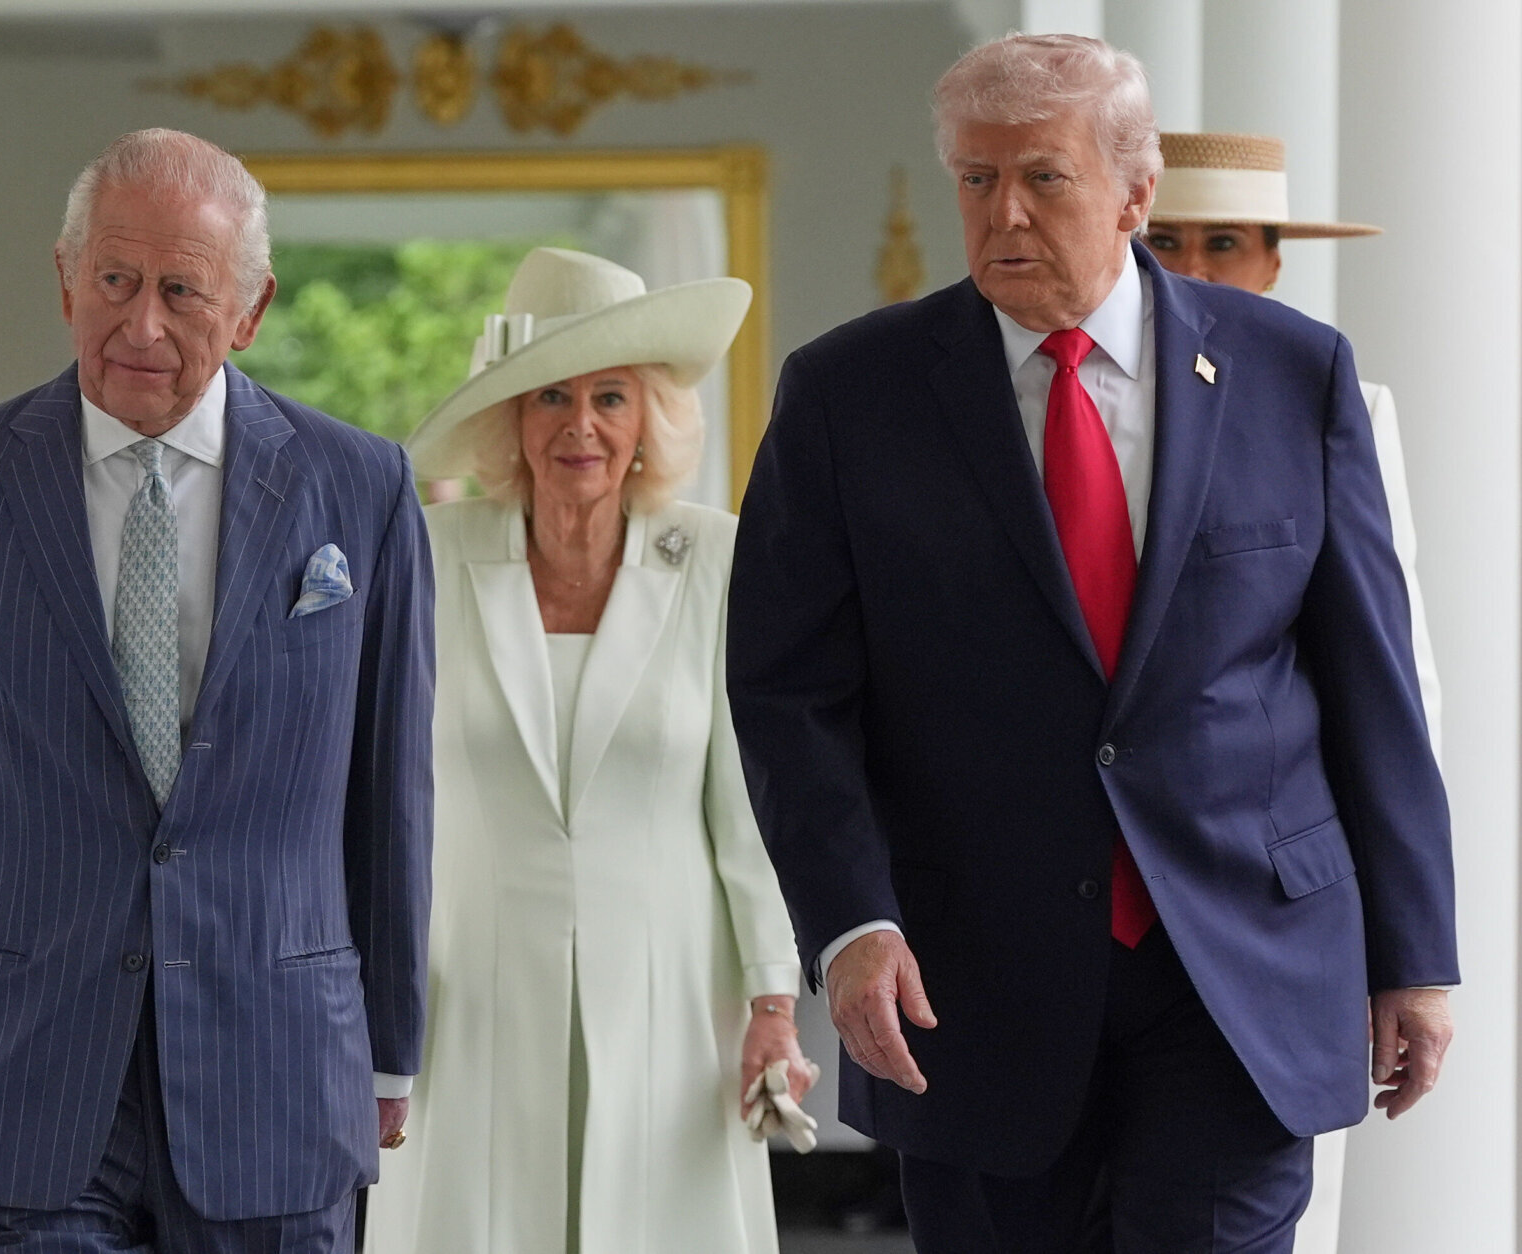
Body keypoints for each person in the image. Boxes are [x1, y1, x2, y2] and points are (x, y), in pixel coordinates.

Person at [726, 34, 1456, 1254]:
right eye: (973, 178)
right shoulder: (847, 396)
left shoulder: (1294, 374)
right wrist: (851, 923)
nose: (1001, 212)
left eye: (1041, 177)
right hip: (965, 984)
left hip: (1239, 968)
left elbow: (1367, 684)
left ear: (1134, 188)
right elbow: (789, 694)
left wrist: (1414, 955)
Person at [0, 129, 434, 1251]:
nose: (140, 324)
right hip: (19, 1077)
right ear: (64, 279)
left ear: (250, 309)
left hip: (275, 1075)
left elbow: (390, 796)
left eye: (182, 290)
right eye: (115, 281)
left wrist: (387, 1046)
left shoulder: (360, 489)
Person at [363, 246, 810, 1254]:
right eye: (550, 396)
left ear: (648, 417)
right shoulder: (428, 557)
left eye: (610, 397)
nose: (580, 426)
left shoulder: (714, 556)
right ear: (509, 421)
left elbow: (747, 802)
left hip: (670, 996)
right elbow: (379, 798)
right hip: (464, 996)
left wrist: (771, 1003)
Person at [1146, 129, 1446, 1254]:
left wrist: (1401, 943)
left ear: (1272, 261)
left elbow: (1387, 671)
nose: (1193, 267)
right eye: (1165, 238)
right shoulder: (1068, 401)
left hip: (1281, 894)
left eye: (1224, 242)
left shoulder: (1335, 398)